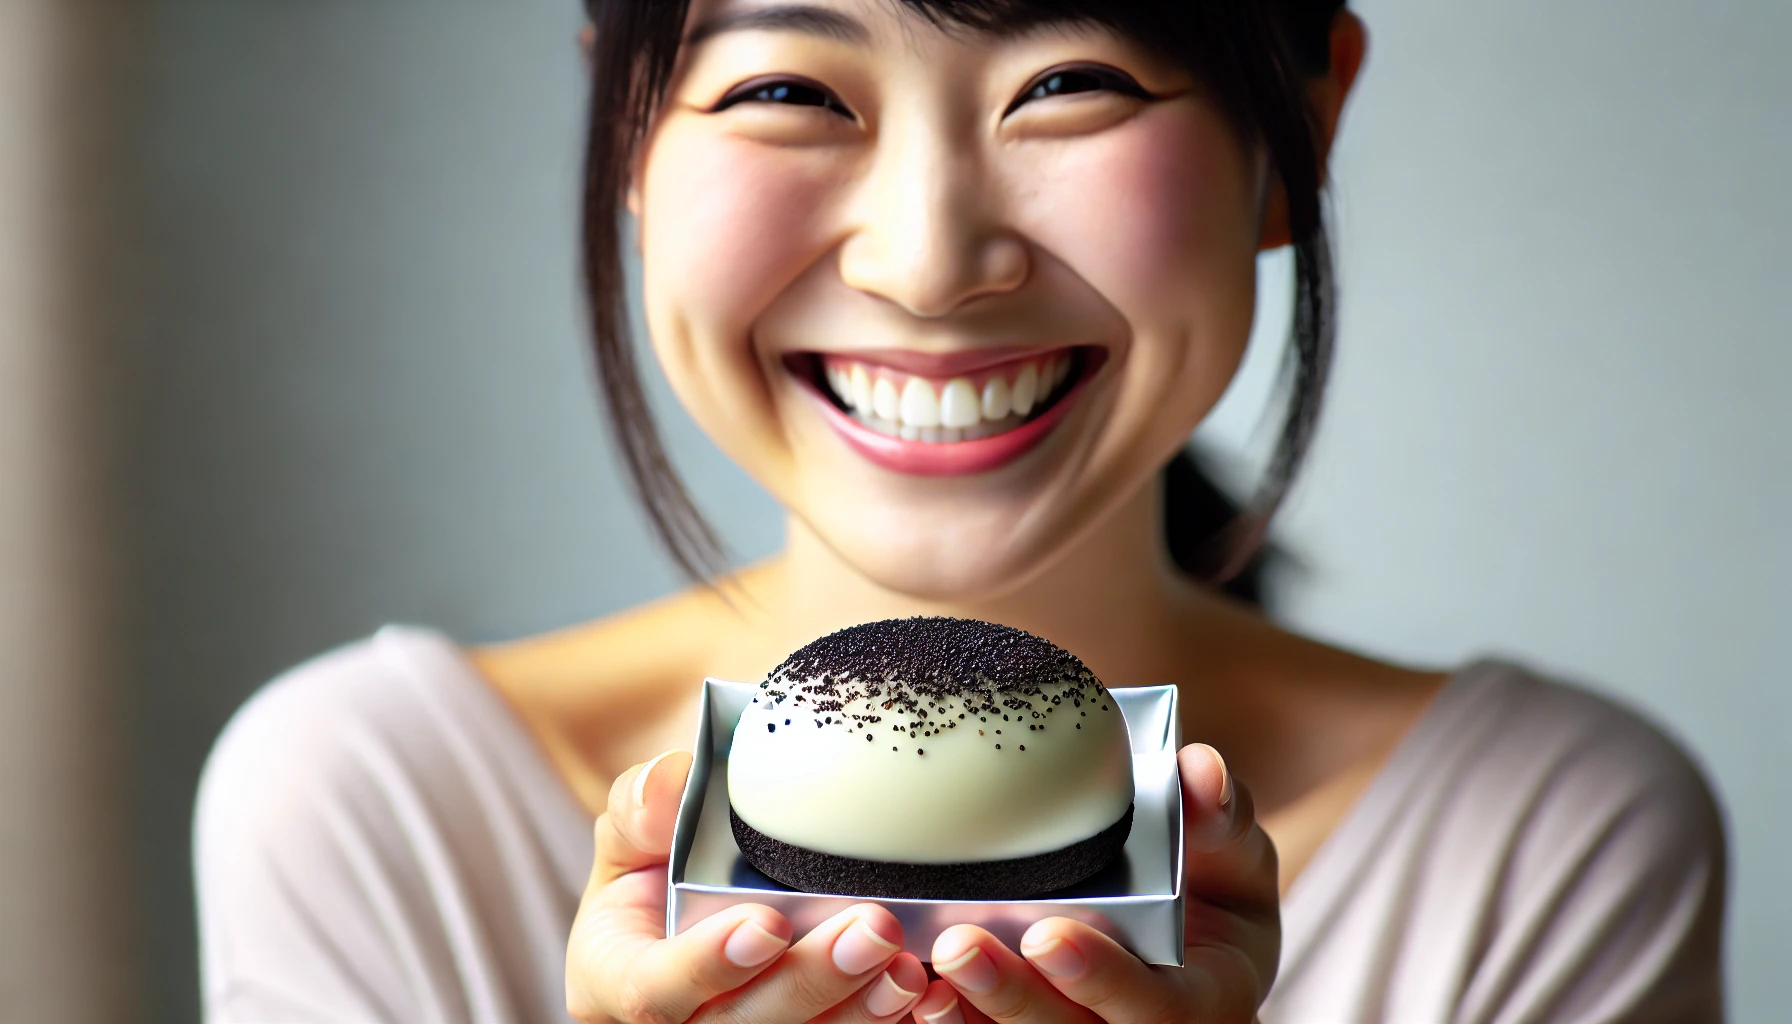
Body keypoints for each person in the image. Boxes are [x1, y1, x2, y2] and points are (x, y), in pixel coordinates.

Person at [193, 1, 1729, 1021]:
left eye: (1071, 84)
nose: (929, 262)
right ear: (626, 128)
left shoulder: (1542, 841)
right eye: (789, 88)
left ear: (1301, 121)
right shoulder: (377, 808)